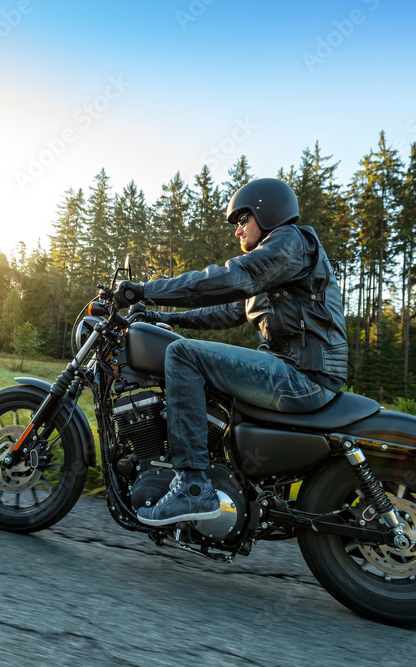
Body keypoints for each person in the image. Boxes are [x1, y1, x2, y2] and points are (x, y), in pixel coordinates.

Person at [113, 177, 348, 527]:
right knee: (190, 357)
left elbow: (227, 279)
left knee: (182, 355)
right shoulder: (274, 266)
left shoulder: (289, 243)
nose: (237, 232)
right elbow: (224, 312)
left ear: (266, 213)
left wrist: (146, 291)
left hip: (304, 376)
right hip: (292, 369)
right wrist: (160, 316)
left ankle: (193, 487)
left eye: (242, 220)